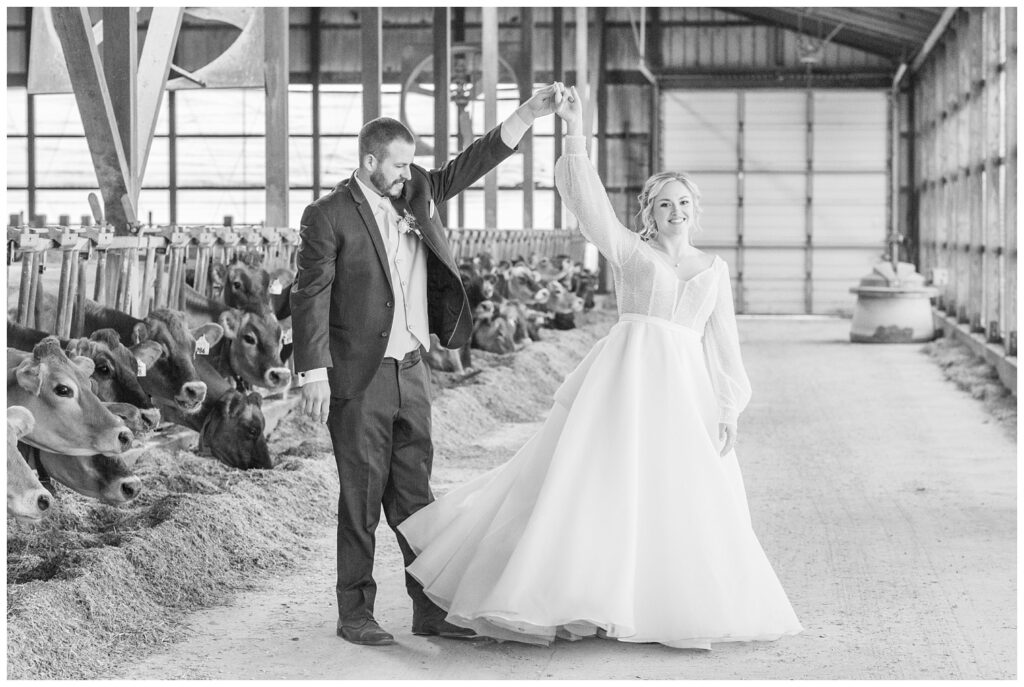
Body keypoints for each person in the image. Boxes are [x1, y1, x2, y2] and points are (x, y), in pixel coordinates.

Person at [398, 84, 803, 649]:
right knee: (602, 482)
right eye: (664, 204)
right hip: (626, 382)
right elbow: (588, 201)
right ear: (650, 214)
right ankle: (577, 594)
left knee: (676, 489)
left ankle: (661, 602)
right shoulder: (629, 251)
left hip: (685, 391)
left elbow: (724, 343)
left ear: (695, 211)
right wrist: (574, 127)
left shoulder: (714, 270)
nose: (675, 212)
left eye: (683, 203)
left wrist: (730, 406)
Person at [290, 85, 562, 646]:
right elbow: (309, 293)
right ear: (370, 161)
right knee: (361, 497)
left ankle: (429, 606)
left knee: (416, 497)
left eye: (410, 164)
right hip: (359, 374)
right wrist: (313, 370)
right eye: (397, 163)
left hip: (413, 368)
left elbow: (474, 159)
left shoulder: (417, 192)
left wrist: (528, 115)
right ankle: (355, 613)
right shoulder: (328, 216)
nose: (406, 173)